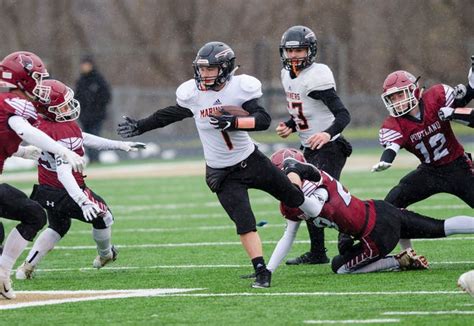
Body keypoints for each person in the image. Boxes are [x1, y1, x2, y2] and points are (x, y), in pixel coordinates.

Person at [117, 41, 326, 288]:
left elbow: (263, 120)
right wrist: (141, 126)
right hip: (221, 172)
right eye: (202, 69)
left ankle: (339, 221)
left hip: (251, 160)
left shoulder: (240, 88)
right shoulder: (193, 94)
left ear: (225, 68)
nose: (204, 74)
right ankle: (261, 270)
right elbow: (168, 115)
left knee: (294, 197)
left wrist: (235, 123)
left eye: (210, 69)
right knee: (244, 220)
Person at [14, 79, 145, 280]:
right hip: (68, 189)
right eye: (63, 105)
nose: (69, 107)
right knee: (104, 217)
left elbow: (83, 137)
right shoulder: (63, 131)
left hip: (46, 189)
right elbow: (64, 173)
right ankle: (106, 255)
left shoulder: (39, 124)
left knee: (58, 226)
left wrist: (119, 145)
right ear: (49, 108)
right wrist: (83, 201)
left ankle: (26, 267)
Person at [268, 149, 474, 275]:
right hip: (379, 210)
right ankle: (405, 254)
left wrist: (291, 174)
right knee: (441, 227)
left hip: (376, 233)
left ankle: (398, 260)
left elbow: (313, 206)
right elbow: (288, 236)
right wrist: (267, 270)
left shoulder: (317, 180)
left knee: (339, 267)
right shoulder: (292, 201)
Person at [0, 51, 85, 300]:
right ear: (23, 78)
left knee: (29, 215)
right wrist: (60, 150)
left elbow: (6, 138)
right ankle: (3, 272)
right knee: (32, 214)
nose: (40, 84)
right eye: (37, 77)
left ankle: (2, 272)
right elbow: (24, 129)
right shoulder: (14, 103)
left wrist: (24, 152)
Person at [371, 60, 474, 250]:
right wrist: (385, 160)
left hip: (458, 166)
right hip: (430, 171)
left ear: (414, 90)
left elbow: (466, 107)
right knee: (392, 203)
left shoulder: (436, 97)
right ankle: (407, 252)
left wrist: (457, 107)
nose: (397, 101)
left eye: (400, 94)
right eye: (392, 98)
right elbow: (392, 146)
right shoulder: (395, 124)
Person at [275, 25, 353, 265]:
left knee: (314, 194)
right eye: (290, 51)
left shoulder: (316, 77)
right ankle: (318, 252)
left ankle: (349, 228)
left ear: (310, 51)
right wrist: (291, 124)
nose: (294, 56)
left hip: (331, 147)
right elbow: (305, 111)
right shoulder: (286, 75)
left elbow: (343, 115)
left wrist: (328, 134)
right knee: (306, 197)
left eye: (299, 50)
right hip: (310, 146)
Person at [75, 55, 112, 163]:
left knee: (96, 137)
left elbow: (106, 96)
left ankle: (96, 159)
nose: (84, 67)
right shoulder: (81, 81)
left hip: (97, 116)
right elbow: (77, 98)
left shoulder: (98, 79)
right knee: (86, 138)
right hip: (85, 116)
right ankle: (91, 159)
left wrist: (97, 108)